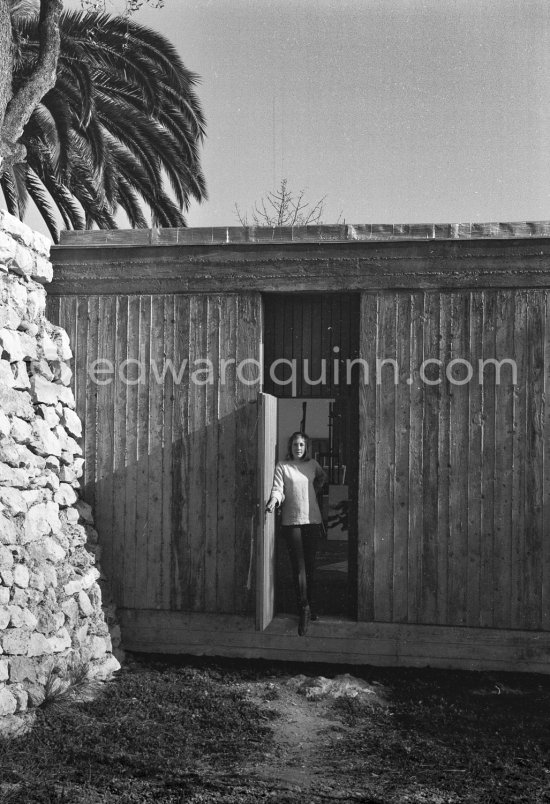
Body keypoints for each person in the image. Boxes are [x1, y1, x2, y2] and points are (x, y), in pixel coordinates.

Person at [265, 431, 328, 636]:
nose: (298, 448)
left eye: (301, 445)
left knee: (310, 566)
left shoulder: (313, 465)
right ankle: (303, 608)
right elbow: (278, 489)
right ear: (290, 447)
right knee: (299, 568)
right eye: (294, 445)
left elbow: (321, 478)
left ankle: (312, 605)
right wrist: (274, 501)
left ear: (306, 447)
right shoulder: (282, 466)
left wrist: (313, 492)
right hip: (292, 522)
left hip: (312, 521)